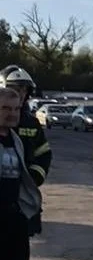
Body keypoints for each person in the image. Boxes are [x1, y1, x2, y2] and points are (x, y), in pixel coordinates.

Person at [0, 86, 42, 260]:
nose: (12, 114)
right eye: (5, 108)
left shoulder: (14, 139)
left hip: (14, 215)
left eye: (15, 109)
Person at [0, 65, 51, 235]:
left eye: (24, 89)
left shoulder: (31, 123)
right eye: (16, 88)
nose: (21, 94)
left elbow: (44, 154)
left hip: (22, 202)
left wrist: (32, 177)